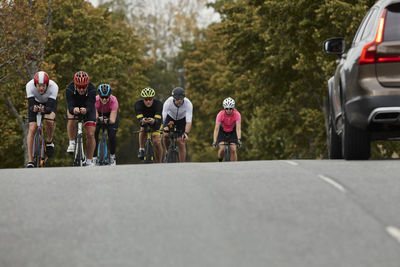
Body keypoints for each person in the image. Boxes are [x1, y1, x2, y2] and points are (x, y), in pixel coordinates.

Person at [25, 71, 59, 168]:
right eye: (39, 86)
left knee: (49, 120)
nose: (41, 88)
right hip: (35, 102)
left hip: (49, 103)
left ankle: (49, 140)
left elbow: (50, 107)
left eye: (44, 86)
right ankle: (30, 161)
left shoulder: (54, 87)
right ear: (35, 84)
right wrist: (34, 108)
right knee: (32, 128)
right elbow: (31, 105)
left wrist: (45, 110)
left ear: (47, 84)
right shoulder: (29, 86)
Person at [66, 71, 97, 166]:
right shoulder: (69, 89)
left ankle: (89, 160)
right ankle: (72, 142)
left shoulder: (92, 89)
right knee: (71, 118)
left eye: (83, 87)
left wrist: (86, 109)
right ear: (75, 85)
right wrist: (73, 109)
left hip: (88, 108)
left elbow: (91, 105)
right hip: (74, 107)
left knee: (90, 134)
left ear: (87, 85)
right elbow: (70, 105)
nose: (81, 90)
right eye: (79, 87)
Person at [162, 87, 193, 162]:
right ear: (173, 98)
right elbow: (164, 117)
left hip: (182, 121)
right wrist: (164, 127)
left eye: (181, 99)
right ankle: (167, 151)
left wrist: (185, 133)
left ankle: (181, 164)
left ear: (183, 98)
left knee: (181, 141)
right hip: (170, 119)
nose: (179, 101)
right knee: (166, 135)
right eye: (177, 99)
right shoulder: (168, 102)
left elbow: (189, 121)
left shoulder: (188, 104)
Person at [134, 88, 164, 163]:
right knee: (143, 128)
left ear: (153, 98)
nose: (148, 101)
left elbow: (158, 121)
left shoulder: (158, 104)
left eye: (150, 99)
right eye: (146, 99)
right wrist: (142, 121)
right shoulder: (138, 104)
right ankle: (141, 149)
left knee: (156, 141)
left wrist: (153, 121)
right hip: (145, 122)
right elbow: (139, 120)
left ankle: (159, 162)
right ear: (143, 99)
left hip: (157, 122)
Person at [93, 84, 119, 166]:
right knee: (94, 133)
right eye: (102, 97)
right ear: (99, 95)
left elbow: (112, 120)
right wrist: (98, 119)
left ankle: (112, 157)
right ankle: (93, 158)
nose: (104, 99)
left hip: (110, 115)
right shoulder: (95, 100)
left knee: (112, 135)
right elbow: (95, 117)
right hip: (99, 114)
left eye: (106, 97)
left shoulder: (114, 100)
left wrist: (107, 120)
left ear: (110, 95)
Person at [212, 97, 242, 161]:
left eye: (230, 108)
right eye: (227, 108)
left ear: (233, 108)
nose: (228, 110)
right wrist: (214, 141)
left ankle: (234, 166)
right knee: (222, 149)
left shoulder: (237, 114)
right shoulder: (220, 115)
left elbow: (238, 128)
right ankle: (220, 160)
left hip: (232, 131)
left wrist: (239, 140)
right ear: (224, 108)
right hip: (222, 131)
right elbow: (216, 129)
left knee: (233, 149)